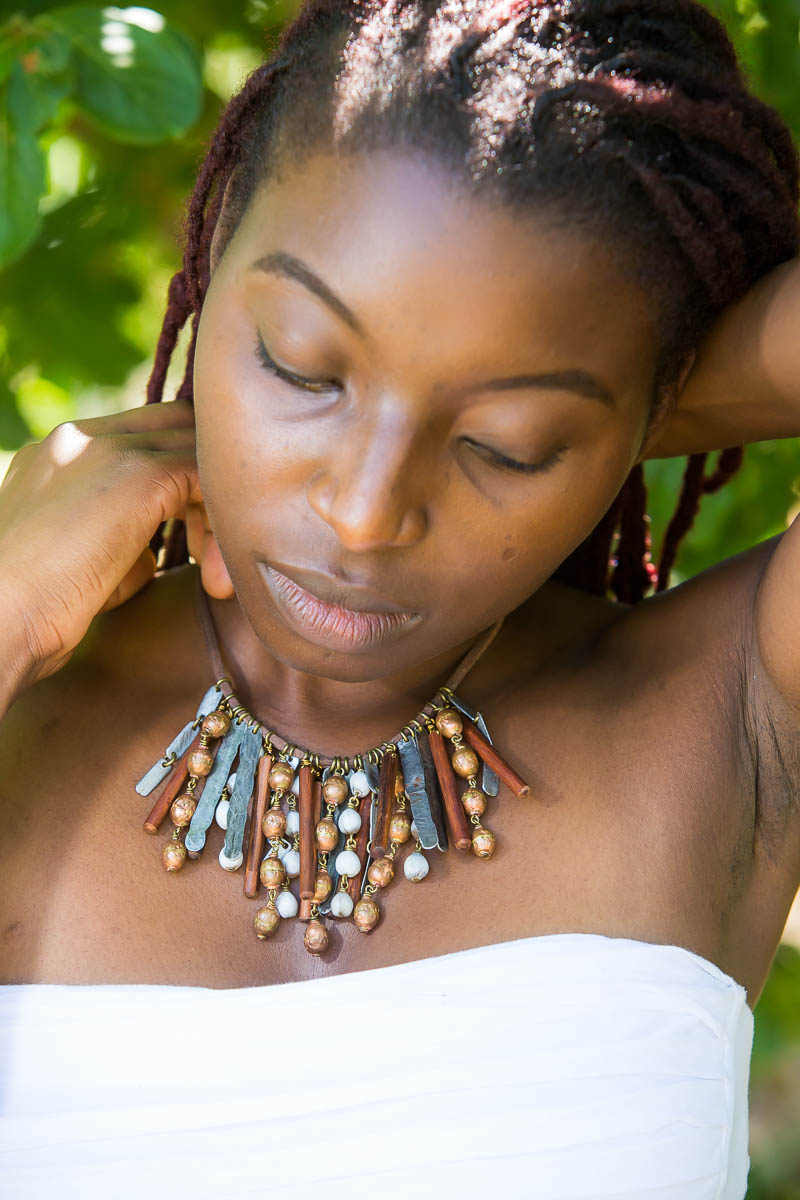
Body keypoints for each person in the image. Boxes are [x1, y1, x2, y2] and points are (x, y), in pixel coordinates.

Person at [1, 0, 798, 1196]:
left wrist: (634, 384)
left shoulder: (729, 704)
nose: (366, 513)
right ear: (209, 261)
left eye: (510, 442)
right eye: (302, 368)